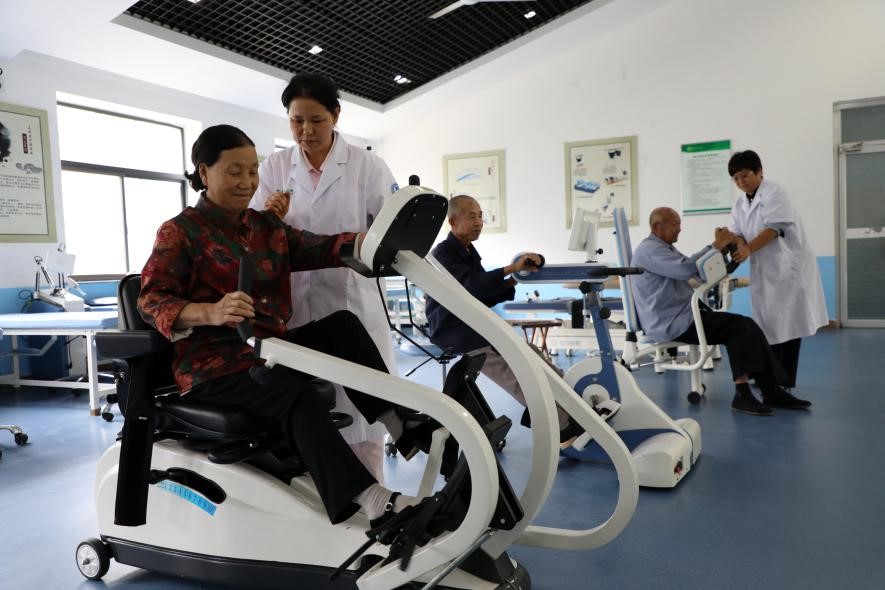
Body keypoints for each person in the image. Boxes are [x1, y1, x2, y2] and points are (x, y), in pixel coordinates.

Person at [138, 124, 435, 527]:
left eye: (252, 171)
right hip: (216, 367)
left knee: (342, 327)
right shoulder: (180, 232)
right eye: (234, 171)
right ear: (204, 173)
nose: (247, 182)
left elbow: (321, 246)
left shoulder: (265, 227)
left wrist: (372, 242)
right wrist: (210, 311)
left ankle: (401, 423)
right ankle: (372, 499)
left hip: (268, 349)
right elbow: (151, 299)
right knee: (294, 394)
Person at [250, 73, 396, 482]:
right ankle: (324, 514)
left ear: (335, 115)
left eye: (316, 120)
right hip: (296, 312)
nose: (306, 131)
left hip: (354, 304)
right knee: (310, 417)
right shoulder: (275, 167)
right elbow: (253, 236)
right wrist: (269, 218)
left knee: (363, 418)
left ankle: (377, 510)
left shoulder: (367, 166)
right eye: (297, 121)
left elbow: (388, 235)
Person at [425, 195, 584, 445]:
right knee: (518, 376)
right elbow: (470, 288)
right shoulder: (443, 254)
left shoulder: (467, 251)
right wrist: (510, 270)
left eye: (480, 216)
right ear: (453, 221)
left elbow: (484, 294)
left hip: (479, 325)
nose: (479, 222)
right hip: (457, 332)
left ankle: (576, 411)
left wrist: (516, 278)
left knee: (535, 359)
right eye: (472, 216)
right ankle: (563, 429)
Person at [631, 207, 812, 415]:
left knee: (745, 326)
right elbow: (687, 268)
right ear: (656, 226)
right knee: (739, 327)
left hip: (683, 315)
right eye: (675, 224)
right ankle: (749, 392)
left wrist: (724, 252)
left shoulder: (665, 248)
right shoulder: (649, 250)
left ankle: (769, 389)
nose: (680, 229)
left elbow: (697, 272)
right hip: (671, 322)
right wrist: (716, 245)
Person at [727, 150, 829, 390]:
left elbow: (774, 229)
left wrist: (748, 249)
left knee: (791, 325)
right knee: (768, 325)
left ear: (760, 172)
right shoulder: (740, 203)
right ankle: (769, 376)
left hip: (788, 267)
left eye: (745, 175)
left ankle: (784, 381)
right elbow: (738, 232)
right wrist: (739, 244)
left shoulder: (775, 192)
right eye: (736, 179)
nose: (741, 182)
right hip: (765, 269)